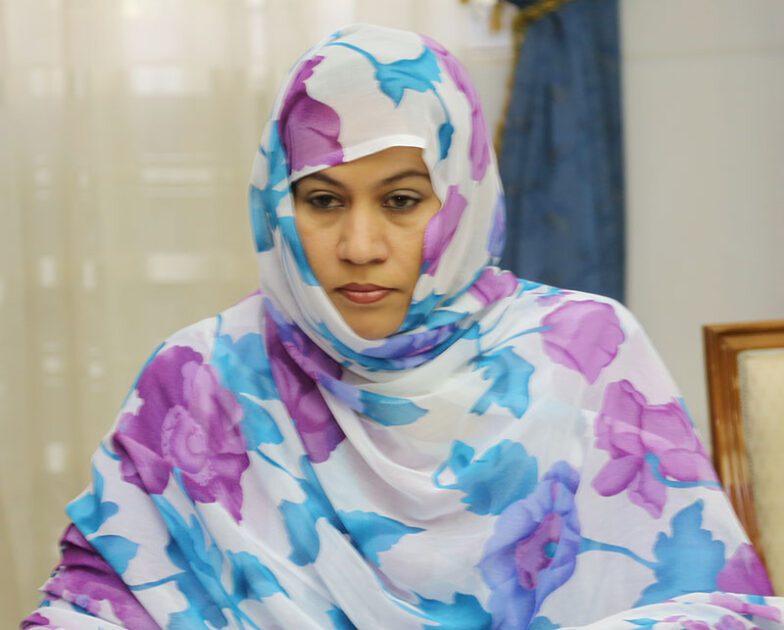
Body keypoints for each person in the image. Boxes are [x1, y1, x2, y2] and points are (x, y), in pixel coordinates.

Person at [24, 23, 783, 630]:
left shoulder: (586, 349)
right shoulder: (202, 375)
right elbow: (99, 604)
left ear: (462, 194)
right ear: (278, 206)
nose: (360, 246)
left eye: (401, 201)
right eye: (323, 201)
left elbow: (709, 606)